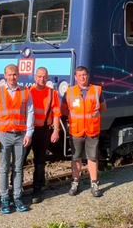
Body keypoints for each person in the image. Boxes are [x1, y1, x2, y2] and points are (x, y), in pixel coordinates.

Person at [0, 64, 34, 214]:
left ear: (18, 75)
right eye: (9, 74)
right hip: (4, 135)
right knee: (4, 168)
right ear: (5, 75)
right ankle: (4, 199)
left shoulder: (25, 92)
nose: (12, 77)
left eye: (14, 74)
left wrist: (29, 133)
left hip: (20, 135)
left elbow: (30, 112)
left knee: (18, 168)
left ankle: (18, 197)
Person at [61, 66, 107, 197]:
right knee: (76, 158)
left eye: (85, 75)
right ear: (75, 77)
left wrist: (92, 119)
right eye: (80, 75)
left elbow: (103, 108)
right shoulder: (70, 92)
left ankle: (94, 183)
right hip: (76, 130)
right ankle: (75, 182)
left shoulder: (97, 90)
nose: (82, 77)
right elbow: (63, 109)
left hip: (92, 130)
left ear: (88, 76)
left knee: (92, 157)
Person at [26, 67, 61, 203]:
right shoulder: (28, 91)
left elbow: (56, 112)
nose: (42, 79)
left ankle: (37, 190)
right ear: (35, 77)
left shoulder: (52, 93)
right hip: (28, 131)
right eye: (39, 76)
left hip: (43, 130)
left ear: (48, 78)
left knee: (40, 162)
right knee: (19, 161)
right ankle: (16, 190)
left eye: (44, 77)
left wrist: (56, 130)